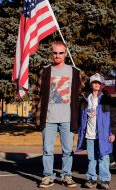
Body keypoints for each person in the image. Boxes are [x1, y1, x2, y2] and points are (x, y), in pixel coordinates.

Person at [32, 41, 83, 188]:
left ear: (66, 54)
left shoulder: (74, 72)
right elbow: (36, 95)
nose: (57, 55)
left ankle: (66, 176)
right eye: (55, 52)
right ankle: (48, 176)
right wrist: (36, 115)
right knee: (47, 149)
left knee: (67, 150)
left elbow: (82, 94)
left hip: (67, 118)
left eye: (61, 53)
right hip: (48, 119)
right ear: (51, 53)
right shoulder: (45, 71)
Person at [76, 73, 115, 189]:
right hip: (90, 133)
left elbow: (114, 117)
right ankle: (91, 178)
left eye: (99, 82)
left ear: (103, 85)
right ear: (91, 84)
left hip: (104, 134)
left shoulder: (107, 99)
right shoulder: (85, 99)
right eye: (95, 82)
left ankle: (104, 180)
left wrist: (112, 132)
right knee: (91, 158)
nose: (97, 84)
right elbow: (80, 117)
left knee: (104, 157)